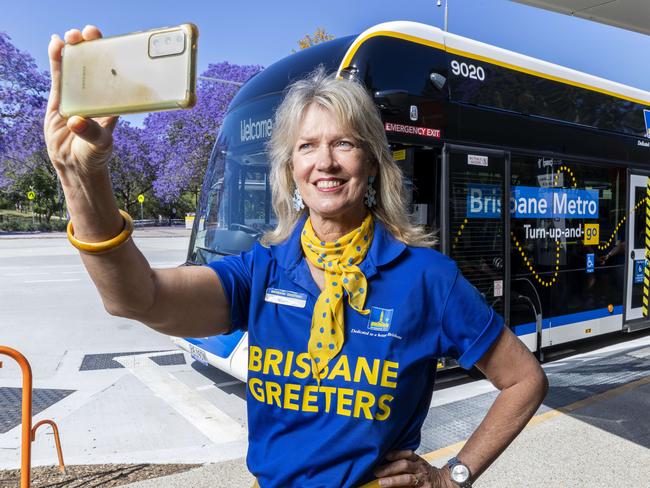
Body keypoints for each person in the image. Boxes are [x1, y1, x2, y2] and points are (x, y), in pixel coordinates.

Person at [45, 26, 548, 488]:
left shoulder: (427, 279)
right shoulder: (262, 270)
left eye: (344, 143)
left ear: (372, 162)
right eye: (307, 146)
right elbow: (137, 298)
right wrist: (83, 178)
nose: (324, 161)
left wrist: (451, 476)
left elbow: (524, 379)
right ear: (290, 170)